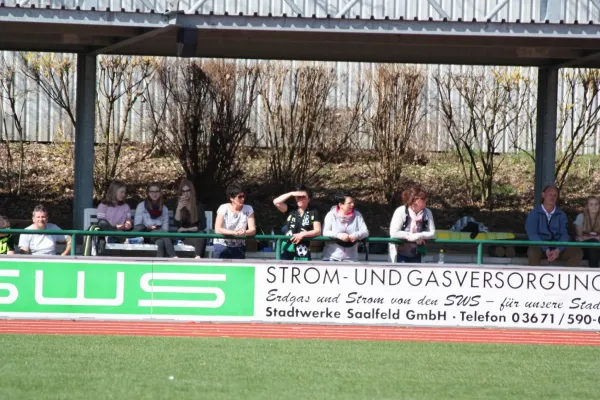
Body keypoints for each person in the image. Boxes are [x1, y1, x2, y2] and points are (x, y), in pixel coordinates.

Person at [526, 184, 583, 266]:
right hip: (540, 246)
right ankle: (533, 277)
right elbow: (532, 234)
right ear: (543, 195)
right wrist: (546, 249)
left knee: (577, 252)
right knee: (532, 251)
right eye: (550, 194)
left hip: (557, 246)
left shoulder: (561, 214)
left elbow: (564, 234)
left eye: (555, 195)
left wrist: (558, 250)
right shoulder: (534, 213)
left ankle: (569, 277)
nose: (552, 197)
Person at [155, 180, 207, 259]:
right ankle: (198, 258)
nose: (186, 193)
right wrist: (179, 209)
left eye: (188, 191)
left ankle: (198, 258)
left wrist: (186, 229)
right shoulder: (177, 205)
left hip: (196, 234)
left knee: (202, 234)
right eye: (183, 191)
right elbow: (177, 224)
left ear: (192, 191)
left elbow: (203, 225)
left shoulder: (198, 205)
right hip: (185, 237)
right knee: (201, 237)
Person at [273, 185, 322, 261]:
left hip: (303, 249)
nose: (300, 199)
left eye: (303, 197)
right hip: (288, 247)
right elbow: (276, 202)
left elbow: (317, 231)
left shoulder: (314, 212)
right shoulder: (291, 209)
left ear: (308, 199)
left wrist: (302, 234)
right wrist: (291, 193)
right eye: (298, 197)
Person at [389, 187, 436, 263]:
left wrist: (419, 236)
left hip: (418, 253)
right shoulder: (401, 211)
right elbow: (394, 233)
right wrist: (410, 236)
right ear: (415, 201)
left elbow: (432, 233)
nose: (425, 201)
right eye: (423, 199)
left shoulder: (427, 212)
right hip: (400, 254)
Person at [322, 192, 369, 262]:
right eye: (349, 203)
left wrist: (356, 235)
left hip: (351, 259)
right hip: (331, 258)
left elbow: (365, 232)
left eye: (353, 202)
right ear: (341, 205)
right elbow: (325, 232)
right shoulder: (330, 215)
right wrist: (339, 235)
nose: (352, 205)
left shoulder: (358, 215)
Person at [213, 184, 256, 259]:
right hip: (222, 245)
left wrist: (244, 232)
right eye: (239, 197)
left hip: (239, 247)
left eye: (243, 196)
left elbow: (253, 230)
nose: (242, 199)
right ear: (231, 198)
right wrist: (234, 233)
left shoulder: (249, 209)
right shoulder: (223, 208)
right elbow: (217, 229)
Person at [96, 180, 133, 248]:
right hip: (108, 233)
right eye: (121, 192)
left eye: (124, 192)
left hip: (122, 232)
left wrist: (128, 224)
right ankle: (123, 239)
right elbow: (101, 224)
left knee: (138, 228)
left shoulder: (126, 206)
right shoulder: (103, 205)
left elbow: (128, 219)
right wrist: (115, 226)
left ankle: (120, 238)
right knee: (102, 223)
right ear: (114, 191)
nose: (123, 195)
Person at [574, 196, 600, 268]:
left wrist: (586, 238)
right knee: (594, 243)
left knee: (595, 246)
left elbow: (583, 237)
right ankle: (594, 271)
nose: (594, 207)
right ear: (587, 206)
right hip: (583, 247)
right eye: (591, 204)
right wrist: (597, 238)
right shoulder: (581, 217)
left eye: (596, 204)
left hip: (597, 248)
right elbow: (580, 237)